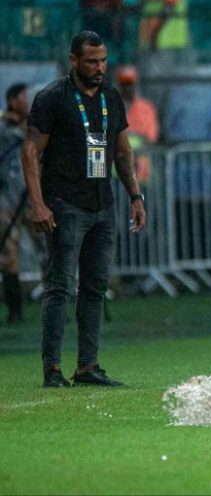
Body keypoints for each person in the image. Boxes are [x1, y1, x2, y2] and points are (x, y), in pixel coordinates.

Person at [22, 31, 147, 388]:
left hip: (102, 203)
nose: (99, 68)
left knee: (95, 288)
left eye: (103, 61)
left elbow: (123, 151)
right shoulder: (52, 98)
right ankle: (52, 369)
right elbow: (30, 151)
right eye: (92, 61)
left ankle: (88, 366)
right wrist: (38, 204)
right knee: (61, 286)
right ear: (73, 60)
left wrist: (135, 197)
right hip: (64, 203)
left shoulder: (111, 96)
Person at [0, 84, 29, 323]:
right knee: (9, 254)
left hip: (34, 198)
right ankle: (14, 308)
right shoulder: (4, 126)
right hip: (7, 199)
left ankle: (56, 306)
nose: (27, 101)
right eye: (23, 97)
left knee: (49, 251)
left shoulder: (36, 125)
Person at [116, 65, 160, 183]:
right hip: (116, 177)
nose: (127, 87)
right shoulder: (110, 108)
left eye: (130, 83)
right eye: (124, 83)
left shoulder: (147, 108)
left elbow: (151, 139)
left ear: (136, 84)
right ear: (119, 85)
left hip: (142, 174)